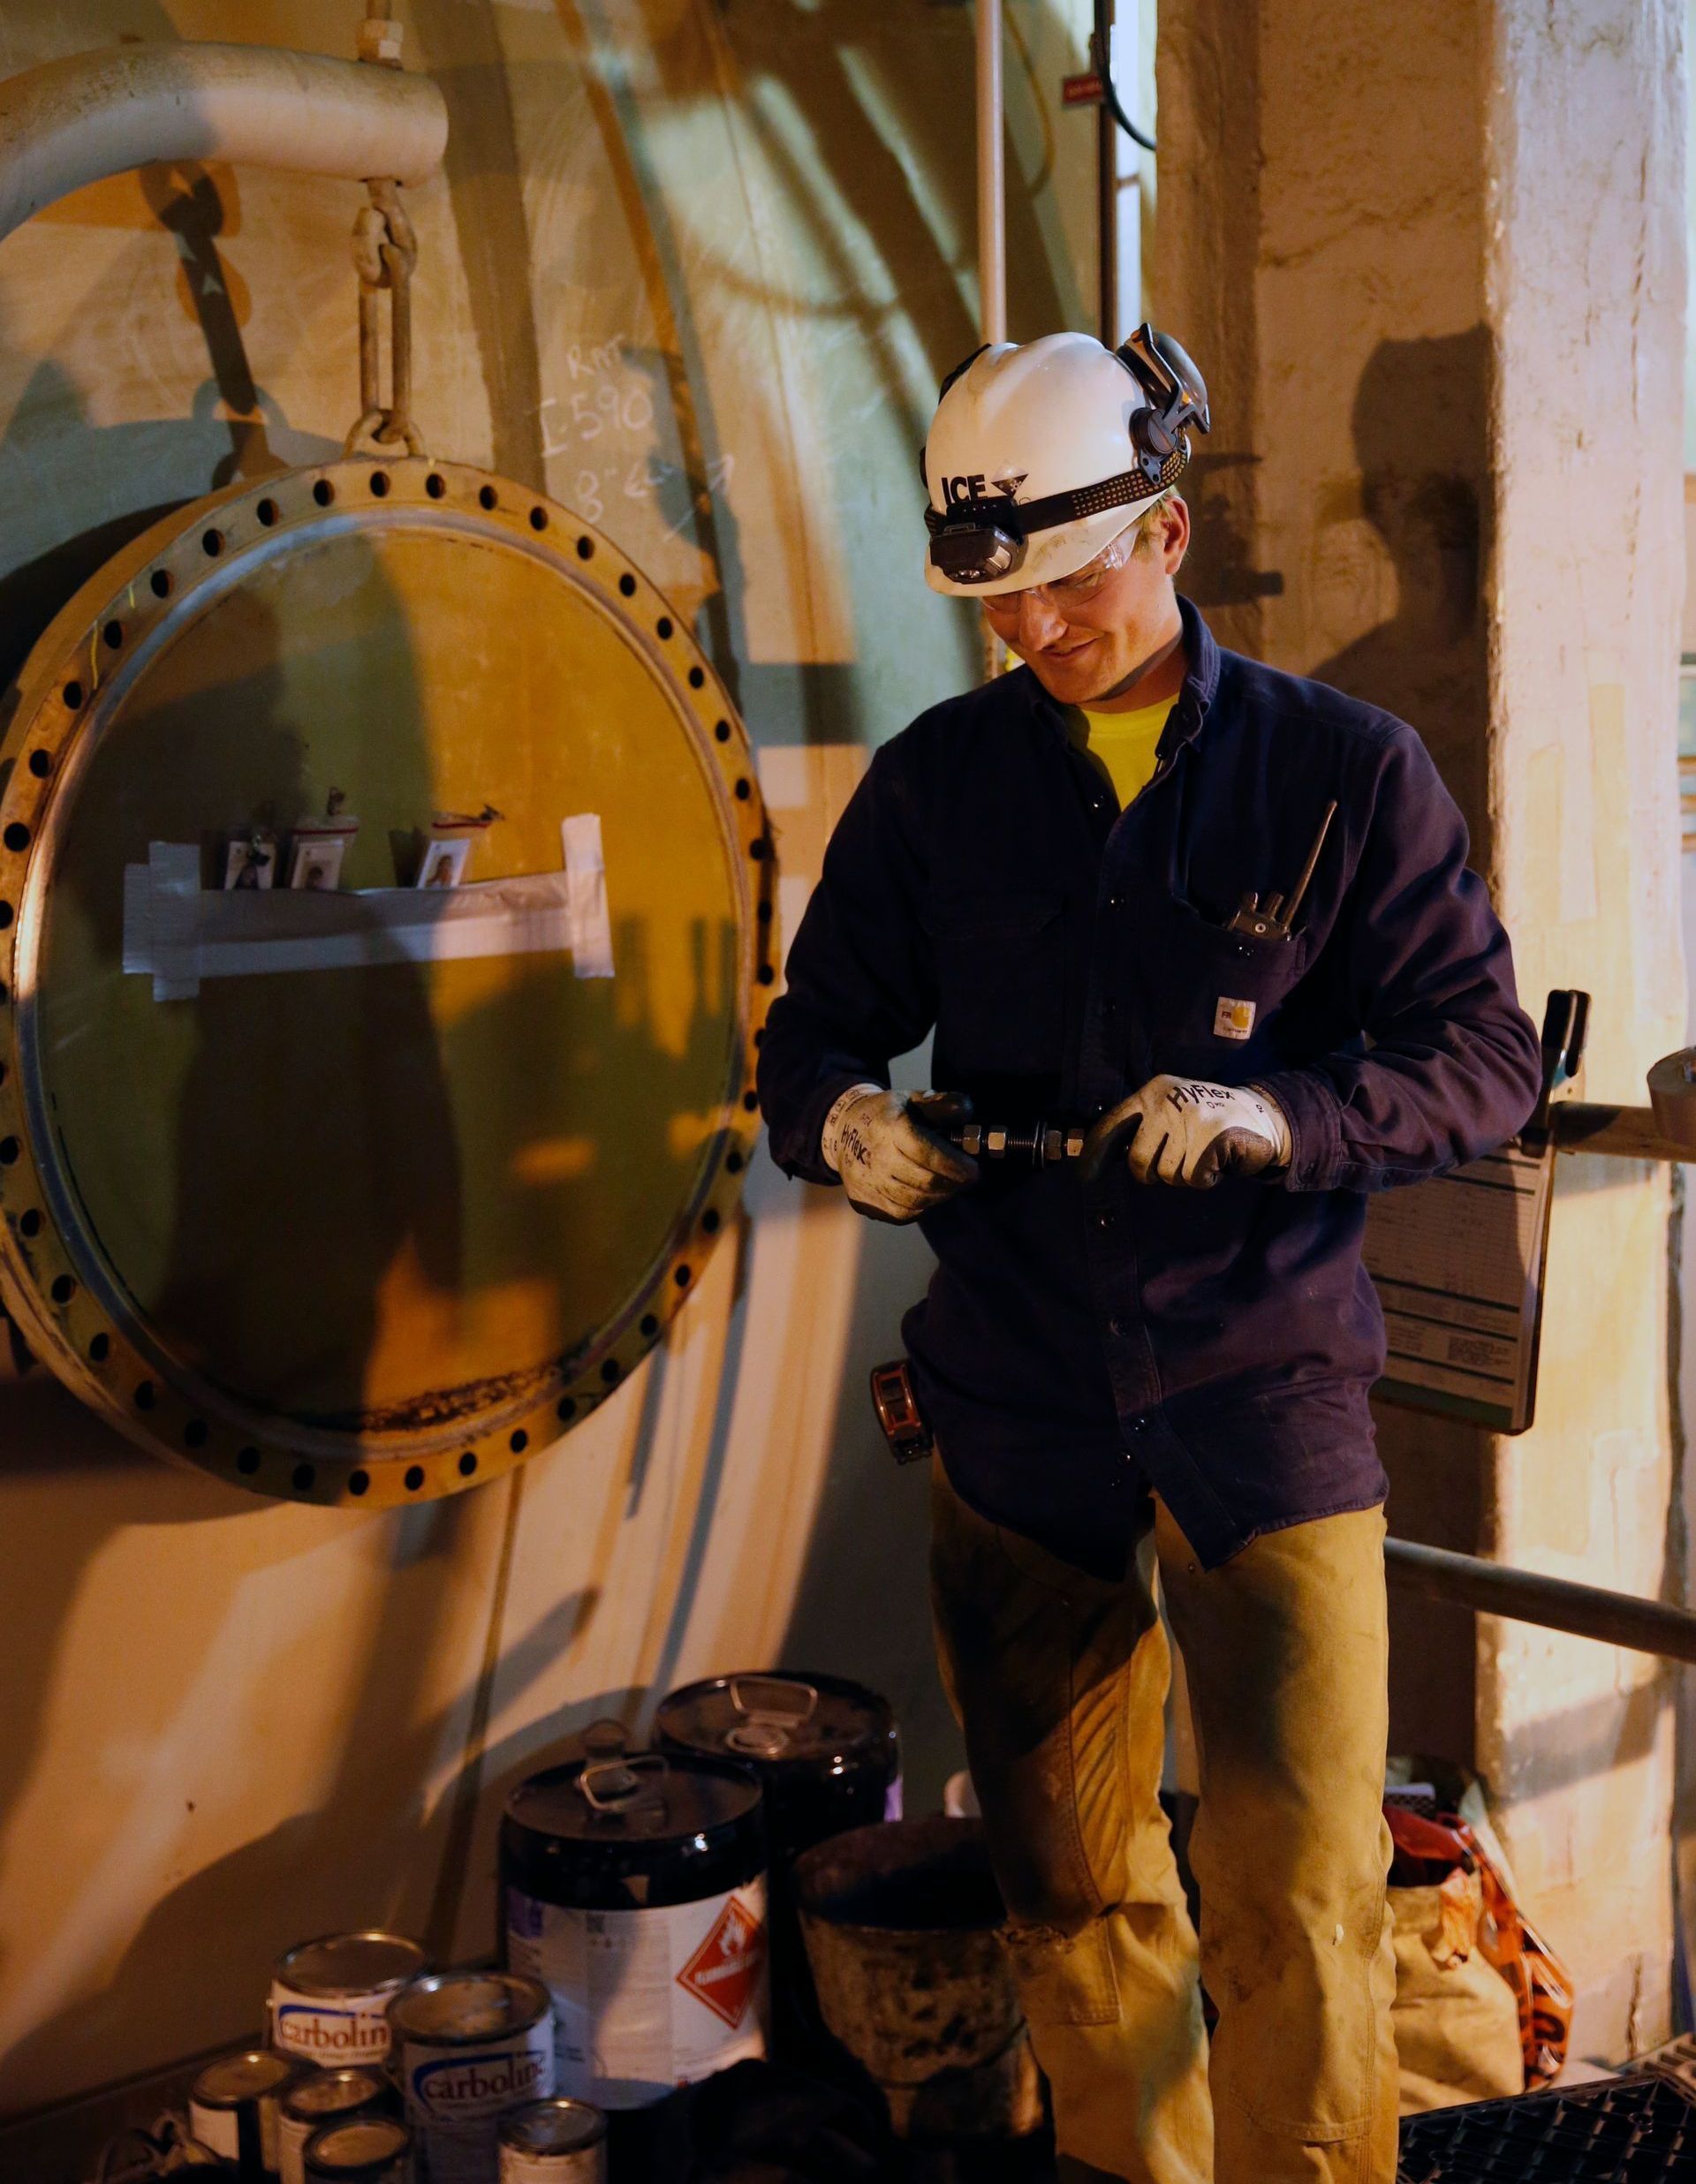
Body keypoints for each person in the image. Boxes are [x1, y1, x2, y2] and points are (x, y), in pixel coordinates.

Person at [755, 329, 1543, 2184]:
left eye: (1075, 576)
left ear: (1172, 529)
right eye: (1000, 597)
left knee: (1301, 1908)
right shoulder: (942, 786)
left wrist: (1285, 1119)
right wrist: (847, 1124)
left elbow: (1485, 1059)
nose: (1040, 628)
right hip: (1018, 1407)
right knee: (1077, 1902)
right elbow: (812, 1039)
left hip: (1262, 1400)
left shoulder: (1343, 775)